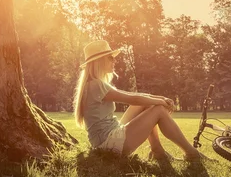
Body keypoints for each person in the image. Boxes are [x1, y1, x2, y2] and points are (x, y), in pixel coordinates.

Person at [73, 40, 202, 161]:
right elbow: (132, 98)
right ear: (99, 61)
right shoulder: (96, 85)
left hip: (107, 138)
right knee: (158, 110)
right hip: (109, 143)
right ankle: (192, 153)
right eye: (110, 57)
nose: (115, 61)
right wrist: (161, 103)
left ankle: (157, 151)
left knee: (144, 105)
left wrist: (160, 98)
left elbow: (133, 95)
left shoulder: (93, 84)